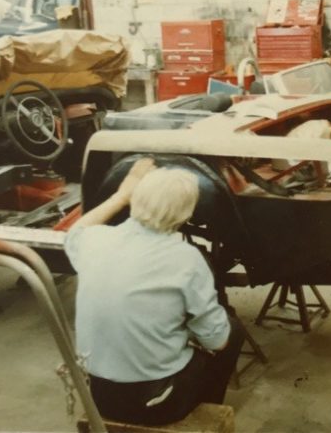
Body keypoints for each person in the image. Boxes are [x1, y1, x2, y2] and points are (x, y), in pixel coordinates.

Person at [65, 158, 245, 425]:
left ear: (136, 198)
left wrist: (121, 195)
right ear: (186, 214)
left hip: (99, 394)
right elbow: (217, 340)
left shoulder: (95, 240)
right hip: (154, 403)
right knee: (232, 331)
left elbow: (75, 231)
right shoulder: (187, 259)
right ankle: (205, 412)